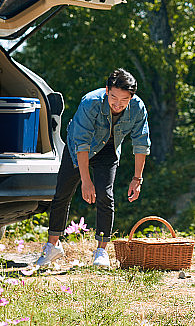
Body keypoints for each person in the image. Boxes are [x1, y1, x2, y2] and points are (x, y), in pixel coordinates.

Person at [34, 68, 151, 268]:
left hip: (108, 150)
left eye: (124, 100)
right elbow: (82, 144)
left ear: (131, 97)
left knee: (106, 196)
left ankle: (101, 251)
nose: (118, 104)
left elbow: (141, 143)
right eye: (114, 97)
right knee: (62, 193)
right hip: (78, 149)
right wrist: (86, 181)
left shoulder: (138, 108)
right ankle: (53, 246)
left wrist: (137, 179)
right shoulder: (90, 102)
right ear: (107, 90)